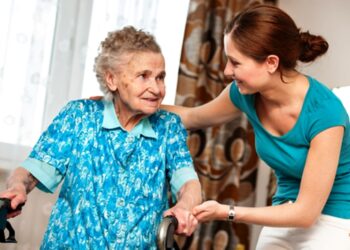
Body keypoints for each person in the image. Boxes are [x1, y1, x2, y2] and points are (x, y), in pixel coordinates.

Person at [163, 4, 350, 250]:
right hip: (283, 211)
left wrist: (226, 212)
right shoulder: (245, 94)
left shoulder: (325, 113)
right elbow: (191, 117)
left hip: (333, 220)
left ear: (271, 63)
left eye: (235, 63)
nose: (227, 71)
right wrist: (128, 101)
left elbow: (306, 214)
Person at [0, 26, 202, 249]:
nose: (156, 88)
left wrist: (184, 206)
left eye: (160, 77)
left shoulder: (168, 127)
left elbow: (188, 183)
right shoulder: (79, 116)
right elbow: (30, 171)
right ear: (112, 80)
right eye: (143, 76)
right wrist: (18, 186)